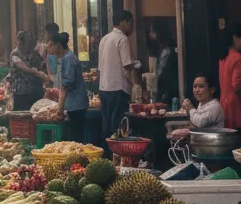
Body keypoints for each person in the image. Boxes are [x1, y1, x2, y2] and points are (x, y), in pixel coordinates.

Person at [98, 11, 140, 141]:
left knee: (107, 125)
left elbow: (100, 66)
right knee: (119, 126)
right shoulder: (122, 39)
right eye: (131, 23)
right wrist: (137, 65)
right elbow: (127, 65)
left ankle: (108, 154)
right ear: (123, 22)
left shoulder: (104, 39)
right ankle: (118, 155)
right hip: (118, 88)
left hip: (104, 88)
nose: (132, 27)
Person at [49, 32, 88, 144]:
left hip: (76, 106)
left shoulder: (68, 59)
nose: (49, 48)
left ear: (58, 45)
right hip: (74, 105)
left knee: (75, 141)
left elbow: (65, 86)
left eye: (51, 45)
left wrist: (60, 110)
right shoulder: (66, 58)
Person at [10, 30, 50, 111]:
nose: (23, 47)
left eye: (26, 44)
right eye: (20, 44)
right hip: (21, 92)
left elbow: (43, 68)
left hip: (36, 91)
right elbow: (22, 66)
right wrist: (36, 72)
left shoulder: (35, 55)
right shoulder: (15, 53)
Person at [149, 21, 178, 107]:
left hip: (167, 90)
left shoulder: (167, 50)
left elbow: (161, 72)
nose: (150, 34)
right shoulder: (161, 48)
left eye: (152, 31)